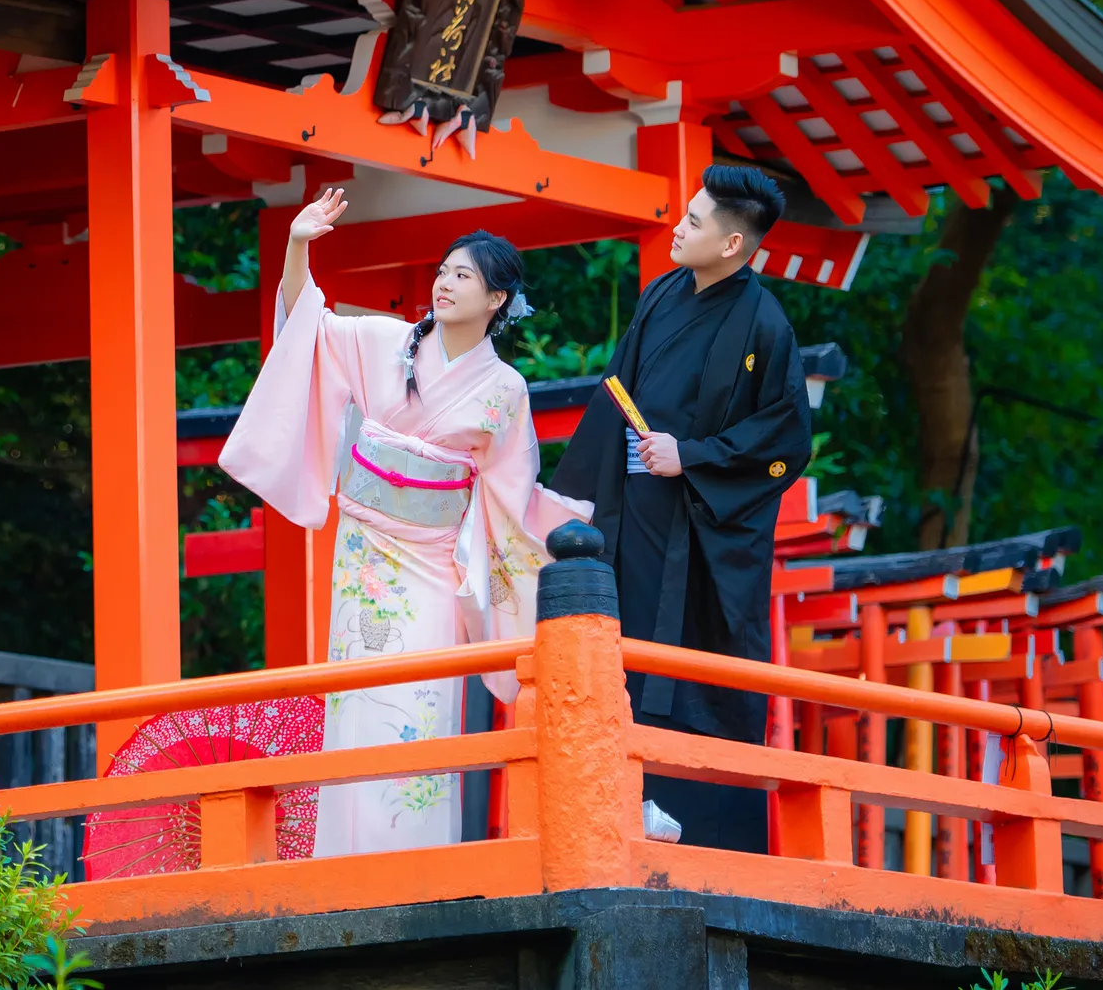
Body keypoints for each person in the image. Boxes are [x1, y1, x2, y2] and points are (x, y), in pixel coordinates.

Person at [220, 190, 591, 856]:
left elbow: (509, 489)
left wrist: (548, 539)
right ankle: (344, 856)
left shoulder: (505, 387)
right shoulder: (385, 342)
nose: (445, 284)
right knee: (357, 696)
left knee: (420, 705)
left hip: (433, 560)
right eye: (443, 271)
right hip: (366, 552)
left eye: (464, 276)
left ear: (497, 299)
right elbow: (309, 324)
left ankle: (413, 856)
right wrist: (299, 243)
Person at [548, 164, 813, 852]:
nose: (678, 227)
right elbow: (616, 392)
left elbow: (785, 440)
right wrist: (571, 498)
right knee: (621, 651)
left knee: (696, 665)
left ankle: (706, 832)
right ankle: (608, 814)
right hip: (635, 514)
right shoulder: (663, 292)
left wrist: (691, 455)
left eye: (693, 221)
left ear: (732, 244)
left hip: (702, 533)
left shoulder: (766, 325)